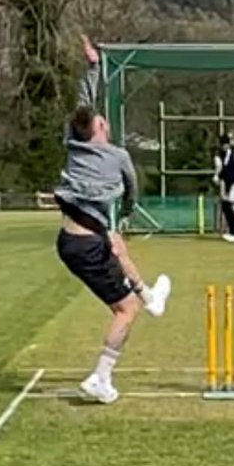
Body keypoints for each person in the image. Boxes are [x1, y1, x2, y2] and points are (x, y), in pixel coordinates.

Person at [54, 35, 170, 404]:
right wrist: (130, 209)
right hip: (85, 243)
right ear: (100, 131)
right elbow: (133, 188)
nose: (104, 120)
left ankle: (151, 297)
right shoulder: (117, 156)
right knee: (125, 309)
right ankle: (100, 378)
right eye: (103, 121)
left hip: (76, 237)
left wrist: (92, 67)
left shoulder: (73, 144)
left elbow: (83, 105)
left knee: (118, 247)